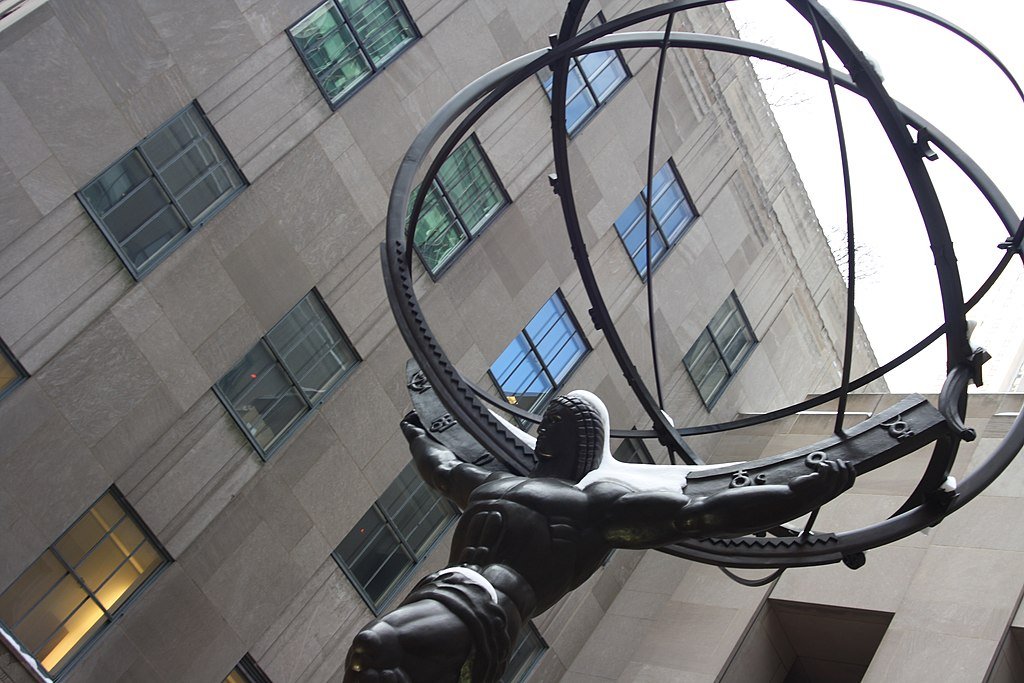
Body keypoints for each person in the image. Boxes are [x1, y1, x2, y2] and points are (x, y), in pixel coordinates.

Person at [344, 390, 854, 682]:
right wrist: (417, 434)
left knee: (374, 648)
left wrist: (803, 492)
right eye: (547, 420)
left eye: (559, 423)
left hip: (486, 606)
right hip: (439, 593)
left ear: (583, 439)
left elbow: (699, 514)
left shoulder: (597, 505)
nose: (545, 429)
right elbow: (442, 468)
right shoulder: (493, 482)